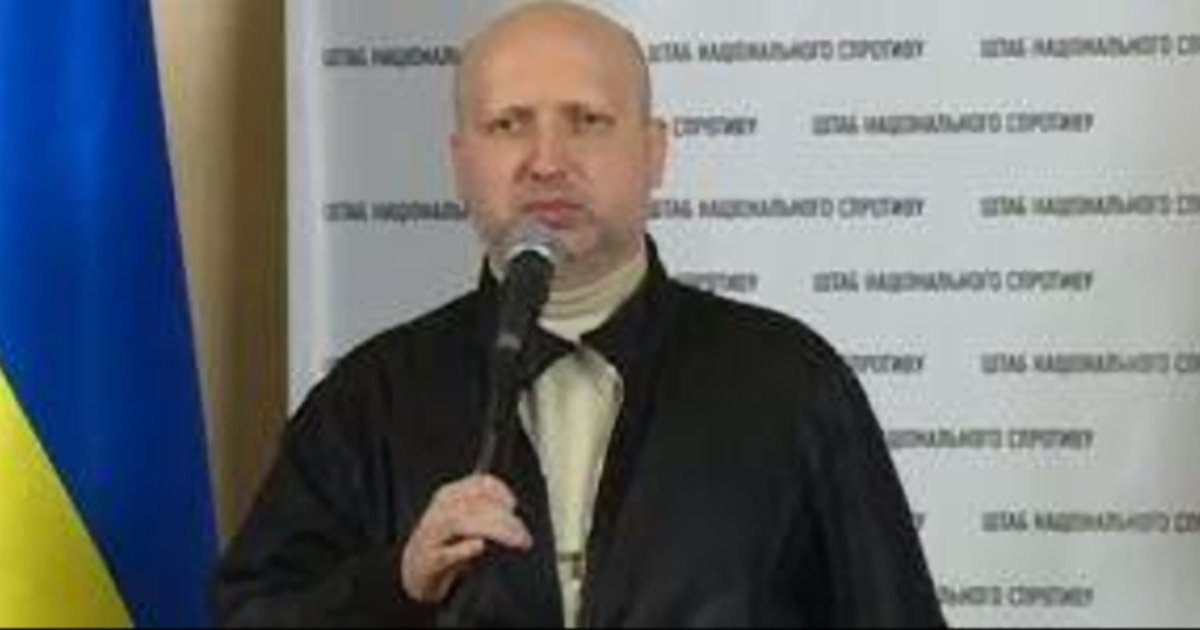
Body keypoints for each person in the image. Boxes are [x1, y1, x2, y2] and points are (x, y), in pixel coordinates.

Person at [214, 2, 945, 627]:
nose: (546, 160)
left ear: (655, 153)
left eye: (588, 121)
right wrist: (396, 584)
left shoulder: (789, 384)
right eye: (508, 124)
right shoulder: (371, 398)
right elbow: (251, 614)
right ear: (460, 163)